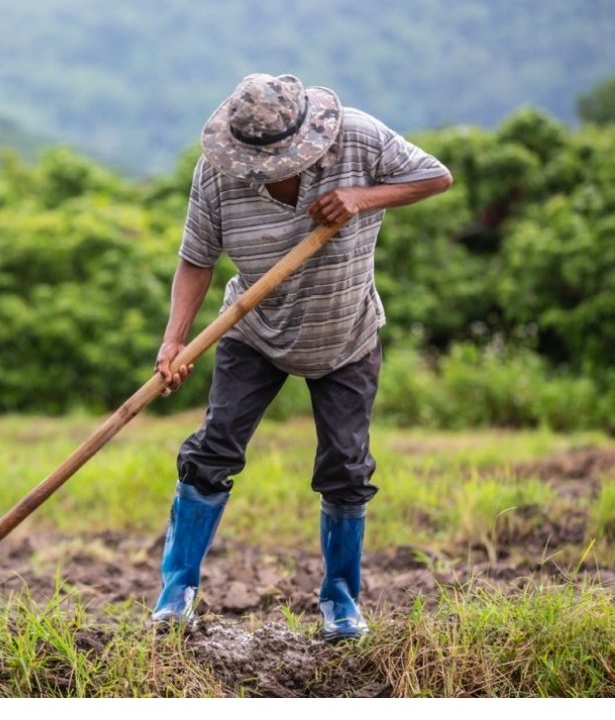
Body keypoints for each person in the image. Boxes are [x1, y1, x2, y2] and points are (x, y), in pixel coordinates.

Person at [151, 73, 453, 641]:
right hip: (253, 328)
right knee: (212, 451)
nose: (266, 172)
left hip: (346, 333)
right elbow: (196, 259)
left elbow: (435, 177)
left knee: (345, 467)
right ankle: (176, 594)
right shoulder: (217, 174)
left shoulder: (359, 138)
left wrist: (361, 198)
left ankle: (341, 602)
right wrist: (175, 340)